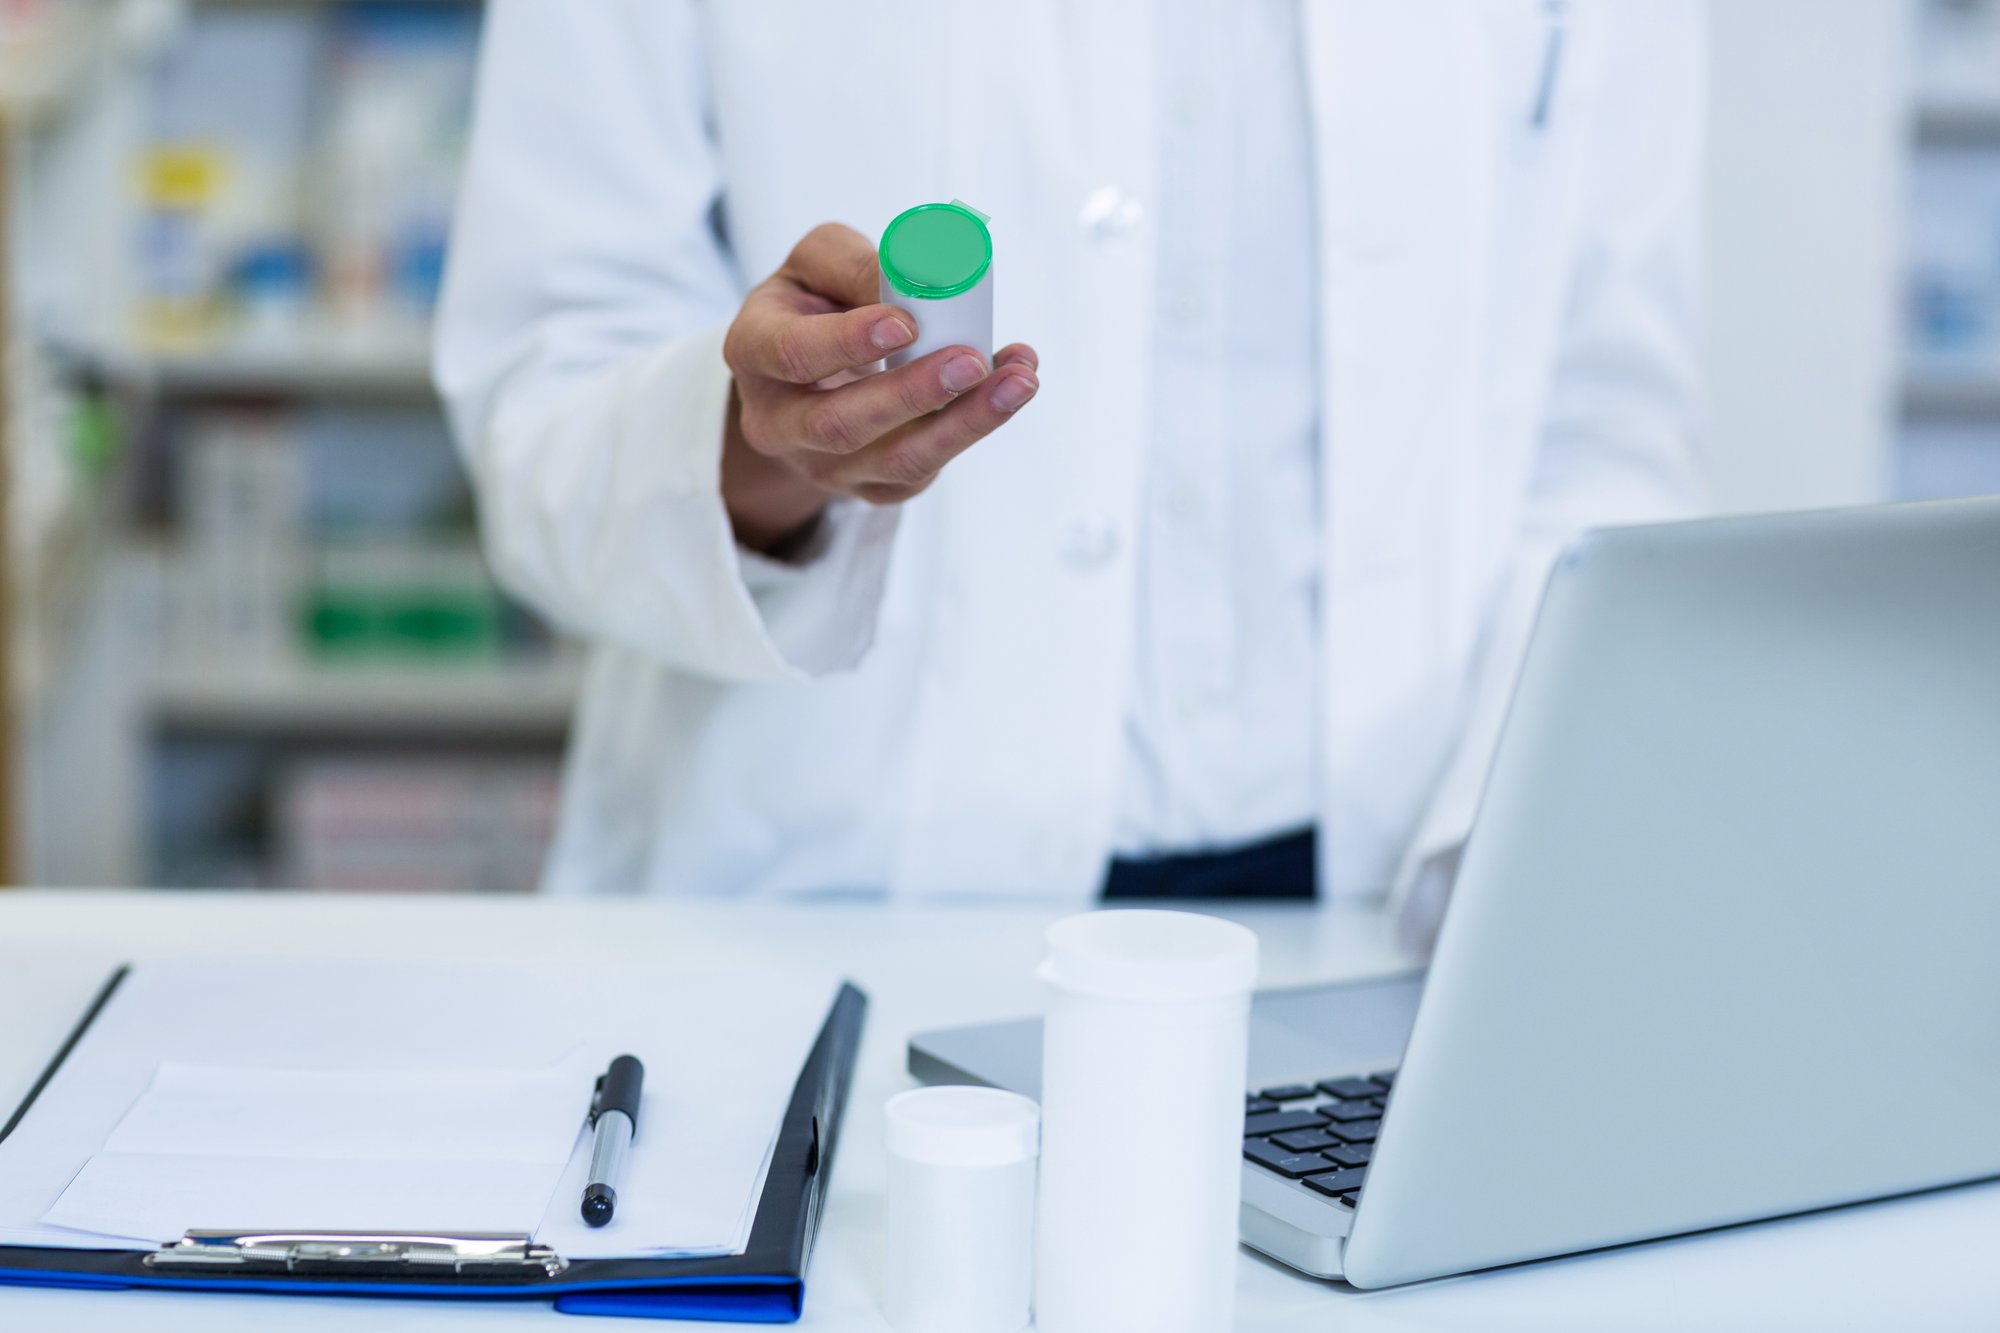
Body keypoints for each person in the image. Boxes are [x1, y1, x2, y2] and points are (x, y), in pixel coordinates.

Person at [435, 1, 1706, 941]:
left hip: (1383, 901)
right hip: (839, 891)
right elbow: (541, 419)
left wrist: (1517, 868)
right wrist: (768, 446)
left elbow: (1602, 422)